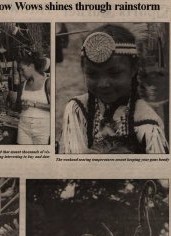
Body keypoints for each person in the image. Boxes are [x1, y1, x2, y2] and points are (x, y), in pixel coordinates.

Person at [59, 24, 169, 154]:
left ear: (134, 69)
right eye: (92, 74)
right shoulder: (77, 109)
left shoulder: (147, 123)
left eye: (114, 73)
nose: (103, 84)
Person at [16, 53, 50, 144]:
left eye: (22, 70)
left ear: (31, 66)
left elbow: (55, 107)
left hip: (42, 128)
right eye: (19, 70)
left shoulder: (47, 82)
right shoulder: (22, 85)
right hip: (23, 126)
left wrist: (34, 104)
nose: (20, 73)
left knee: (40, 156)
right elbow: (17, 107)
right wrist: (21, 105)